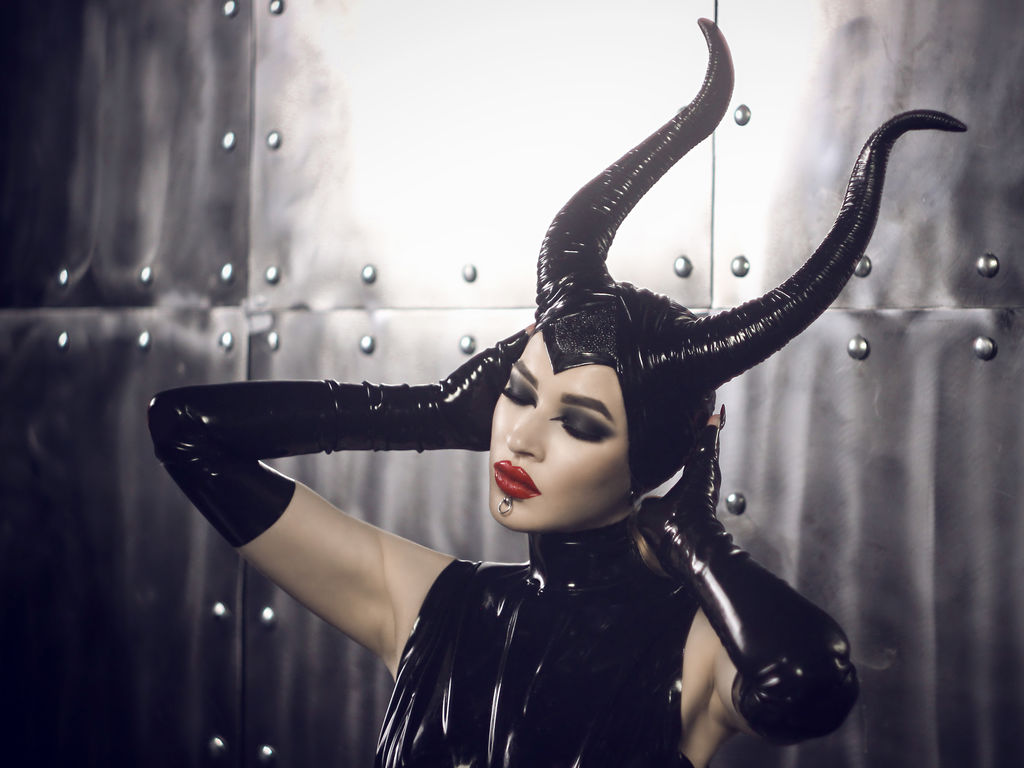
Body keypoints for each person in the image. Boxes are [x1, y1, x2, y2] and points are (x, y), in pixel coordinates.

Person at [147, 19, 964, 768]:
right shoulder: (435, 606)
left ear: (646, 459)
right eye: (517, 392)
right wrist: (428, 411)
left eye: (578, 424)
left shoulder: (694, 652)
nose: (520, 437)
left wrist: (695, 539)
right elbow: (186, 430)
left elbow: (808, 684)